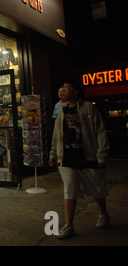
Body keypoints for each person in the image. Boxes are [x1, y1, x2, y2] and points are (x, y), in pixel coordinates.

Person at [49, 80, 111, 240]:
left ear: (76, 92)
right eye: (62, 87)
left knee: (97, 188)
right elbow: (56, 135)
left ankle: (103, 213)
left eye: (67, 87)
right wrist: (53, 154)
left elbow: (100, 132)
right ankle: (69, 225)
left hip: (87, 156)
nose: (63, 89)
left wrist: (101, 155)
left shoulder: (88, 108)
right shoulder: (61, 112)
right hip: (67, 159)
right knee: (69, 190)